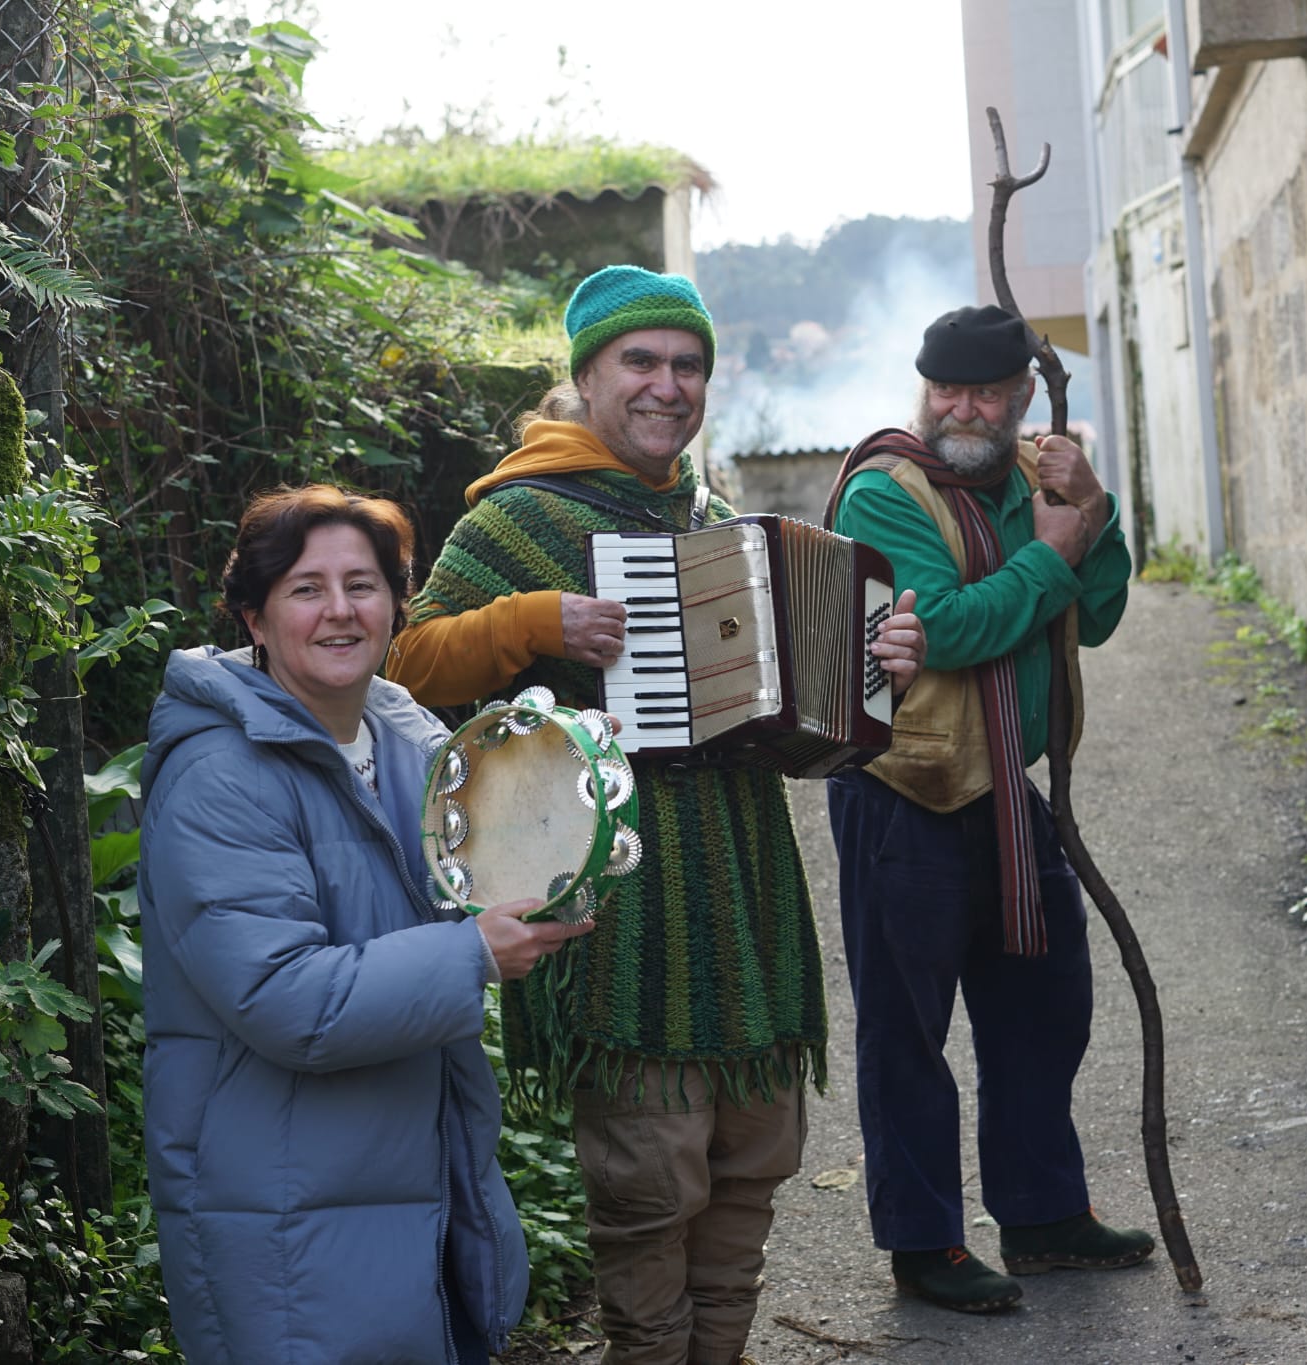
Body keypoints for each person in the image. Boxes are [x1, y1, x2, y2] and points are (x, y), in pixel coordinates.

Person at [385, 265, 925, 1365]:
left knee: (748, 1170)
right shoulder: (520, 514)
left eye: (687, 366)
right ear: (584, 375)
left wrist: (877, 679)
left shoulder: (714, 518)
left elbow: (796, 735)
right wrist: (535, 620)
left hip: (742, 886)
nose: (665, 385)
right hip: (617, 899)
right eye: (639, 361)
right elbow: (404, 663)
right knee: (648, 1182)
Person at [138, 484, 593, 1364]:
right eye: (306, 588)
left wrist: (571, 774)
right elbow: (286, 997)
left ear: (397, 606)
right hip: (278, 1190)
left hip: (408, 1167)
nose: (340, 610)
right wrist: (472, 956)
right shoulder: (219, 777)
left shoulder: (405, 735)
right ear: (254, 618)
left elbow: (493, 863)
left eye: (364, 584)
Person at [822, 304, 1148, 1314]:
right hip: (902, 793)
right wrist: (1050, 556)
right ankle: (924, 1245)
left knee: (1042, 1008)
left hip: (1011, 792)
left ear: (1020, 397)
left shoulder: (1033, 479)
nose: (959, 407)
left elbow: (1094, 615)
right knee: (906, 1031)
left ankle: (1043, 1216)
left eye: (982, 392)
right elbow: (948, 632)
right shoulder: (882, 493)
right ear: (921, 389)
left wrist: (1089, 516)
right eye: (942, 389)